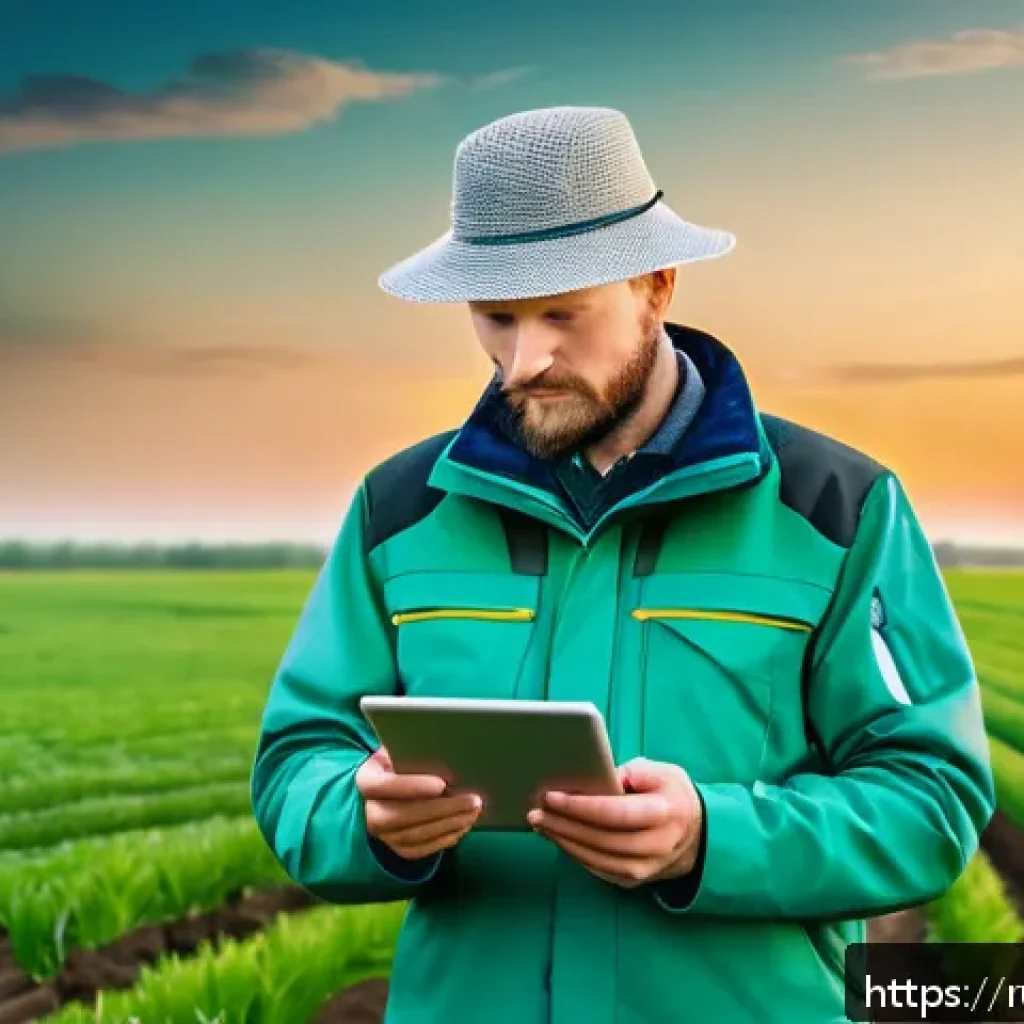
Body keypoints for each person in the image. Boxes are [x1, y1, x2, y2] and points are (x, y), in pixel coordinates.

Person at [249, 106, 995, 1023]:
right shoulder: (399, 512)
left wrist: (711, 838)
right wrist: (362, 819)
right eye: (495, 318)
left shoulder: (834, 509)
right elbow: (297, 763)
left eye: (563, 314)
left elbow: (932, 800)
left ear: (657, 284)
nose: (523, 361)